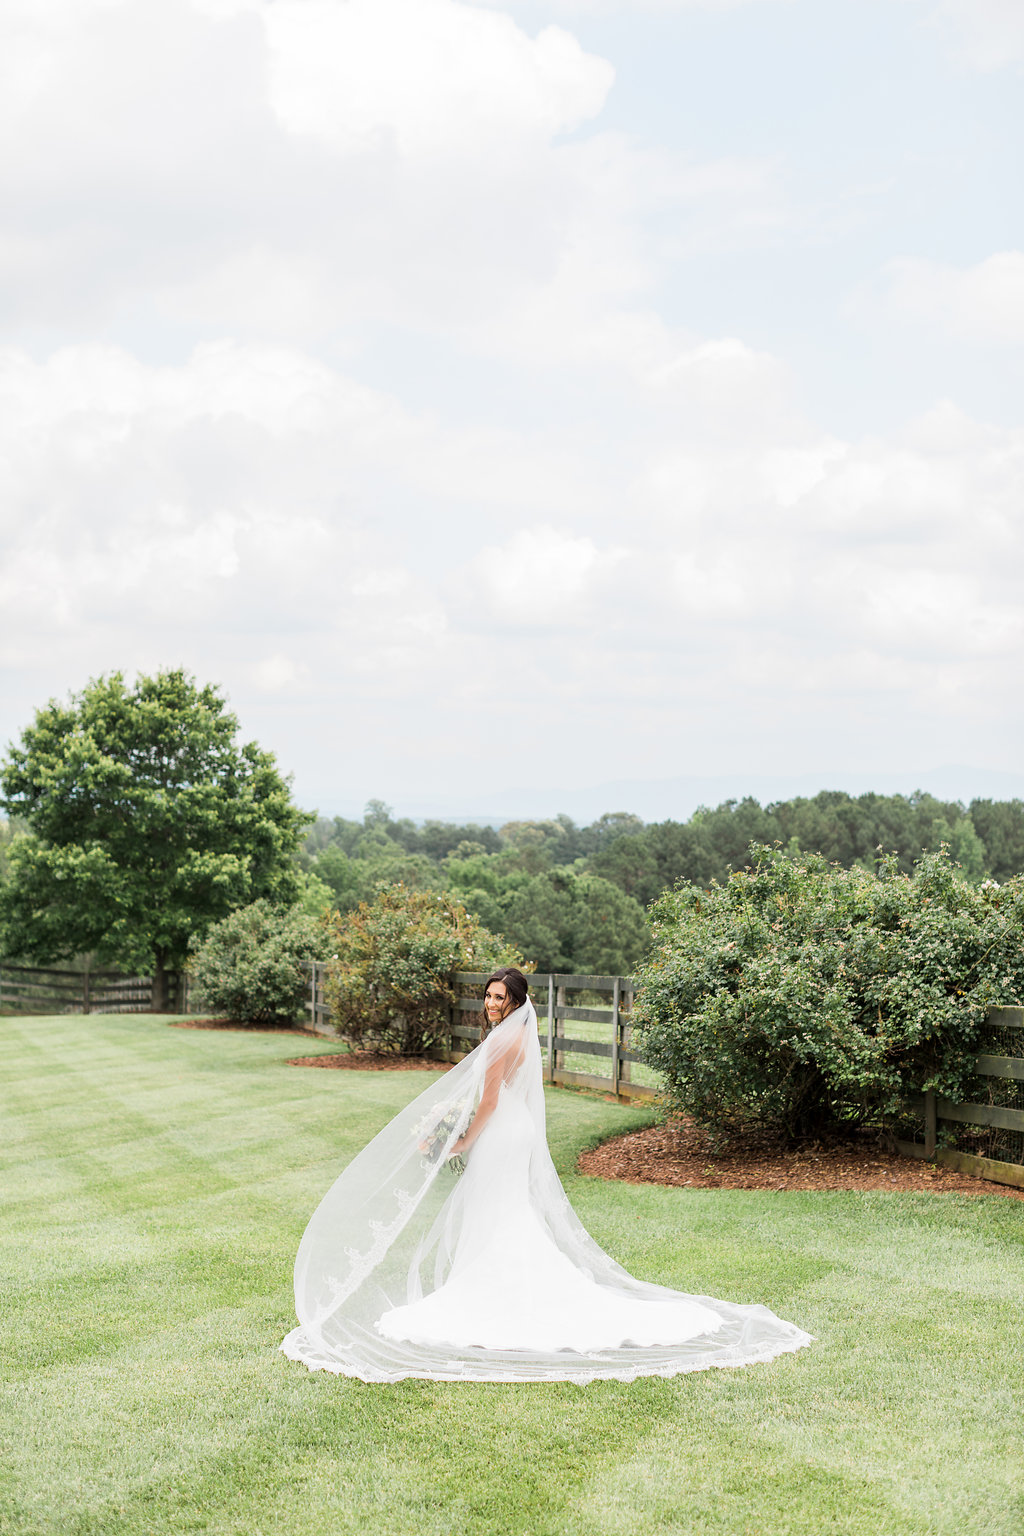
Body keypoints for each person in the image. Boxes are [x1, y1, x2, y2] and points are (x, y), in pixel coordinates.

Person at [280, 968, 811, 1383]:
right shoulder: (514, 1036)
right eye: (487, 997)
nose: (491, 1004)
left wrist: (459, 1140)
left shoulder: (502, 1041)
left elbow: (485, 1102)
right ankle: (501, 1285)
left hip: (500, 1131)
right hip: (515, 1130)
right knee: (505, 1210)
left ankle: (500, 1295)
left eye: (499, 998)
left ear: (515, 1003)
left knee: (496, 1210)